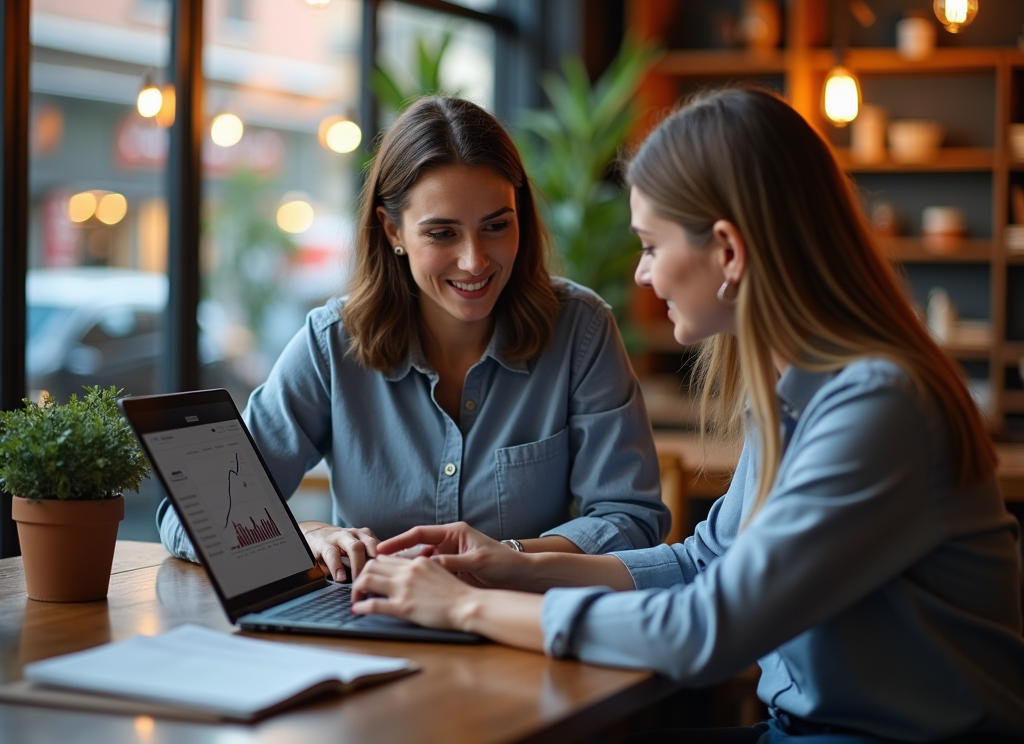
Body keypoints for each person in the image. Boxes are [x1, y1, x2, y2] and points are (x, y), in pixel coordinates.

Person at [349, 87, 1024, 743]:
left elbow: (708, 631)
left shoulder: (876, 408)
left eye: (649, 245)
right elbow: (709, 560)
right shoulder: (799, 391)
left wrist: (465, 605)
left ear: (727, 252)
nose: (642, 276)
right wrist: (512, 563)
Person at [157, 96, 669, 581]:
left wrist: (511, 558)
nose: (475, 260)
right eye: (442, 233)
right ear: (392, 231)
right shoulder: (332, 344)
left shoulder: (580, 330)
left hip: (522, 633)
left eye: (496, 226)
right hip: (371, 628)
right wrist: (305, 534)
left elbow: (631, 516)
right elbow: (189, 517)